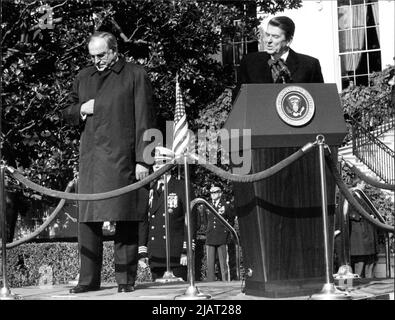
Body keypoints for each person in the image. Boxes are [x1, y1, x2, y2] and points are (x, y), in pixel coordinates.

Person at [62, 31, 155, 294]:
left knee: (125, 217)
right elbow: (66, 110)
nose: (97, 61)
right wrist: (82, 109)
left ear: (114, 50)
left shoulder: (135, 74)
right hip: (91, 158)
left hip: (124, 158)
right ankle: (87, 280)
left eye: (101, 55)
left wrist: (143, 160)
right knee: (88, 220)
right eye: (92, 56)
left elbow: (146, 119)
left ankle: (125, 280)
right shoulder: (84, 76)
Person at [139, 147, 195, 282]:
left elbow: (191, 220)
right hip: (155, 256)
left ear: (170, 165)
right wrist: (143, 251)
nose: (156, 166)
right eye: (155, 163)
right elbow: (144, 221)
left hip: (176, 255)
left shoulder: (181, 186)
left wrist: (186, 250)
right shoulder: (150, 190)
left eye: (161, 162)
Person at [237, 15, 323, 88]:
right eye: (267, 35)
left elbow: (320, 100)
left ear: (288, 41)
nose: (268, 40)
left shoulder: (310, 66)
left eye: (275, 36)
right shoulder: (249, 63)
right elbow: (239, 101)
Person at [347, 179, 378, 278]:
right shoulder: (351, 195)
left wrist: (372, 216)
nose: (364, 185)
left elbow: (371, 209)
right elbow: (349, 212)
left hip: (368, 232)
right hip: (358, 232)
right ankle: (353, 284)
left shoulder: (365, 196)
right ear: (358, 184)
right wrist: (360, 216)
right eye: (363, 183)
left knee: (369, 259)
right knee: (359, 260)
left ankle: (368, 282)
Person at [205, 184, 234, 282]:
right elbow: (205, 220)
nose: (213, 194)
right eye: (211, 192)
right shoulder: (207, 205)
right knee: (210, 265)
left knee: (223, 264)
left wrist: (227, 231)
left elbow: (231, 219)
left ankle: (226, 282)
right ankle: (210, 283)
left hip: (222, 236)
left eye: (215, 192)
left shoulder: (226, 205)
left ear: (220, 193)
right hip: (210, 236)